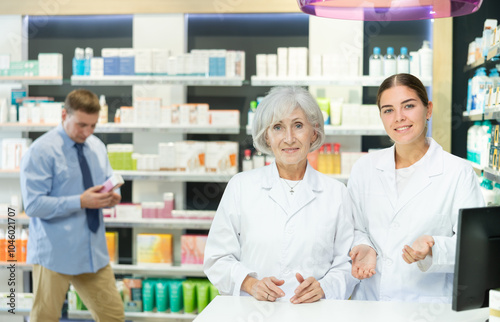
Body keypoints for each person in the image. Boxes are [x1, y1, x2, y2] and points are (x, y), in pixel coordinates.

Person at [204, 86, 358, 303]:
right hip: (253, 311)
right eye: (277, 127)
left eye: (298, 125)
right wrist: (251, 284)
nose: (289, 138)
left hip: (314, 313)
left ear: (313, 132)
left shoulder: (336, 193)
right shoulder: (241, 186)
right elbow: (216, 258)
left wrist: (324, 287)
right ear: (266, 136)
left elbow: (347, 264)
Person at [348, 73, 485, 303]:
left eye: (408, 106)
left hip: (428, 307)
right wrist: (363, 246)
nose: (399, 117)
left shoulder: (457, 172)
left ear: (428, 109)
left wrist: (433, 248)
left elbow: (474, 248)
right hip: (371, 304)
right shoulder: (364, 169)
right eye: (388, 110)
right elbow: (353, 227)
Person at [20, 89, 124, 321]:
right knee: (44, 317)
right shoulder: (40, 151)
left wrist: (110, 198)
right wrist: (80, 201)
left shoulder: (96, 147)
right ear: (64, 114)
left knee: (113, 316)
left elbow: (104, 183)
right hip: (54, 253)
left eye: (93, 126)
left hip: (92, 252)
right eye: (81, 125)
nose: (87, 132)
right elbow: (34, 206)